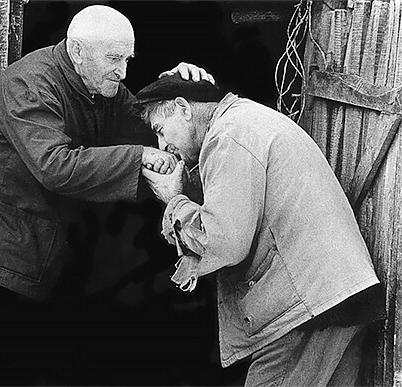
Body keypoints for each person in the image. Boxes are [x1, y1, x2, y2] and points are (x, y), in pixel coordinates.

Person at [0, 5, 214, 386]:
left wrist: (179, 90)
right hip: (6, 264)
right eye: (114, 59)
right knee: (6, 373)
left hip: (58, 257)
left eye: (128, 59)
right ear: (77, 51)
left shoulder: (100, 84)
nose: (123, 72)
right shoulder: (28, 86)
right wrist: (141, 156)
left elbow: (146, 120)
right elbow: (54, 166)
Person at [135, 74, 385, 386]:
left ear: (184, 108)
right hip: (335, 296)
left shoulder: (227, 136)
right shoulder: (245, 121)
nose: (162, 144)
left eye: (160, 130)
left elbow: (222, 242)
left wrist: (174, 200)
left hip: (303, 311)